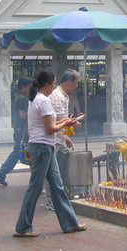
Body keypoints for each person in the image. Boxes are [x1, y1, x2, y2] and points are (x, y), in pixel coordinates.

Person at [13, 69, 86, 237]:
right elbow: (50, 128)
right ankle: (23, 226)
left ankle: (70, 223)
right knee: (35, 187)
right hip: (42, 147)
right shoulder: (43, 101)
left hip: (45, 147)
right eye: (53, 83)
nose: (54, 86)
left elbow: (50, 122)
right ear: (47, 84)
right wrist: (65, 123)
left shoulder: (35, 99)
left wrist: (66, 121)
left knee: (57, 186)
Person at [45, 69, 80, 210]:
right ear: (69, 81)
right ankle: (51, 202)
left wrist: (65, 136)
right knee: (53, 173)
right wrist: (72, 123)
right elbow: (57, 119)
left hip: (59, 139)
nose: (77, 85)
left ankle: (62, 198)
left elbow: (60, 120)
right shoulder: (56, 95)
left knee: (64, 169)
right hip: (52, 140)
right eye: (76, 82)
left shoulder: (64, 96)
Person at [0, 76, 33, 186]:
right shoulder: (22, 99)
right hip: (22, 130)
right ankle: (2, 172)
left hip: (20, 130)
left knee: (21, 152)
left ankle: (2, 173)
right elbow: (23, 115)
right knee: (18, 153)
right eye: (29, 87)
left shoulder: (19, 97)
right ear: (23, 86)